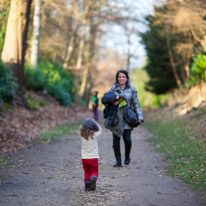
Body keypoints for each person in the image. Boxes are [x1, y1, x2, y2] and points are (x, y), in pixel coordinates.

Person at [108, 70, 144, 167]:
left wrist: (139, 117)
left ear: (127, 78)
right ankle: (118, 161)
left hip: (128, 117)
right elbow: (107, 103)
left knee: (127, 140)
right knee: (116, 140)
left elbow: (136, 104)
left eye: (123, 77)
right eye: (119, 77)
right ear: (117, 78)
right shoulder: (113, 89)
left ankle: (127, 156)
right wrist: (112, 103)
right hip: (116, 118)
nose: (121, 78)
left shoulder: (132, 89)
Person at [79, 118, 102, 191]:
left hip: (84, 158)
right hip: (93, 157)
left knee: (87, 172)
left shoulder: (81, 135)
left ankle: (87, 186)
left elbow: (81, 127)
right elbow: (100, 130)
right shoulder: (94, 135)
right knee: (94, 171)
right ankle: (94, 178)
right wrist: (95, 123)